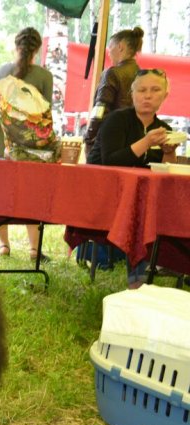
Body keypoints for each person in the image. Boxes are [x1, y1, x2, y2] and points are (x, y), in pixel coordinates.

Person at [86, 69, 178, 289]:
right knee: (141, 210)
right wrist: (146, 141)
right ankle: (138, 280)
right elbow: (111, 161)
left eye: (155, 90)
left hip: (141, 196)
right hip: (104, 192)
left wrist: (168, 151)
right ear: (132, 94)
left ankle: (169, 264)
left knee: (169, 207)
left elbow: (163, 171)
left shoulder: (164, 129)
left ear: (165, 96)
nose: (148, 96)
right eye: (142, 90)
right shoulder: (115, 120)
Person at [0, 27, 53, 261]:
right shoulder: (44, 76)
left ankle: (4, 246)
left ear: (15, 45)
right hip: (30, 149)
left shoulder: (1, 72)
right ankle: (34, 250)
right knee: (31, 196)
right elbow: (47, 114)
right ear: (37, 49)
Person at [83, 27, 143, 155]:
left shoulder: (112, 73)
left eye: (110, 48)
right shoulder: (142, 74)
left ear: (120, 46)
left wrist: (89, 136)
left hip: (107, 141)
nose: (109, 53)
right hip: (134, 142)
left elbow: (101, 108)